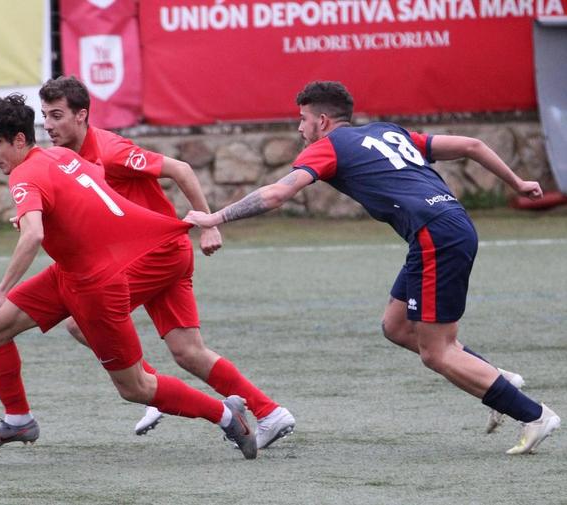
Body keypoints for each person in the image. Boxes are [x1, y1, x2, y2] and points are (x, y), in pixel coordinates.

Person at [184, 80, 561, 455]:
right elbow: (471, 145)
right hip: (445, 226)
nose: (299, 128)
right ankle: (500, 383)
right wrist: (518, 182)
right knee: (396, 326)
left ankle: (533, 415)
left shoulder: (328, 146)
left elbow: (277, 193)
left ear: (324, 120)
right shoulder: (388, 131)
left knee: (437, 352)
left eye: (303, 120)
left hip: (436, 235)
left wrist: (215, 216)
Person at [0, 93, 257, 459]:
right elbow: (91, 185)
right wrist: (46, 214)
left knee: (135, 387)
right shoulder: (60, 155)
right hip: (66, 275)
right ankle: (19, 419)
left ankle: (227, 415)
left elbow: (34, 236)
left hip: (96, 288)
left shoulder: (25, 174)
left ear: (20, 139)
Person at [36, 75, 295, 449]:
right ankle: (270, 412)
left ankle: (148, 387)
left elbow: (181, 169)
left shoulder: (110, 151)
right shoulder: (67, 158)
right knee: (189, 352)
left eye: (56, 115)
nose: (47, 125)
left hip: (158, 253)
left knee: (80, 323)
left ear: (81, 116)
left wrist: (208, 224)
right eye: (44, 116)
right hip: (159, 254)